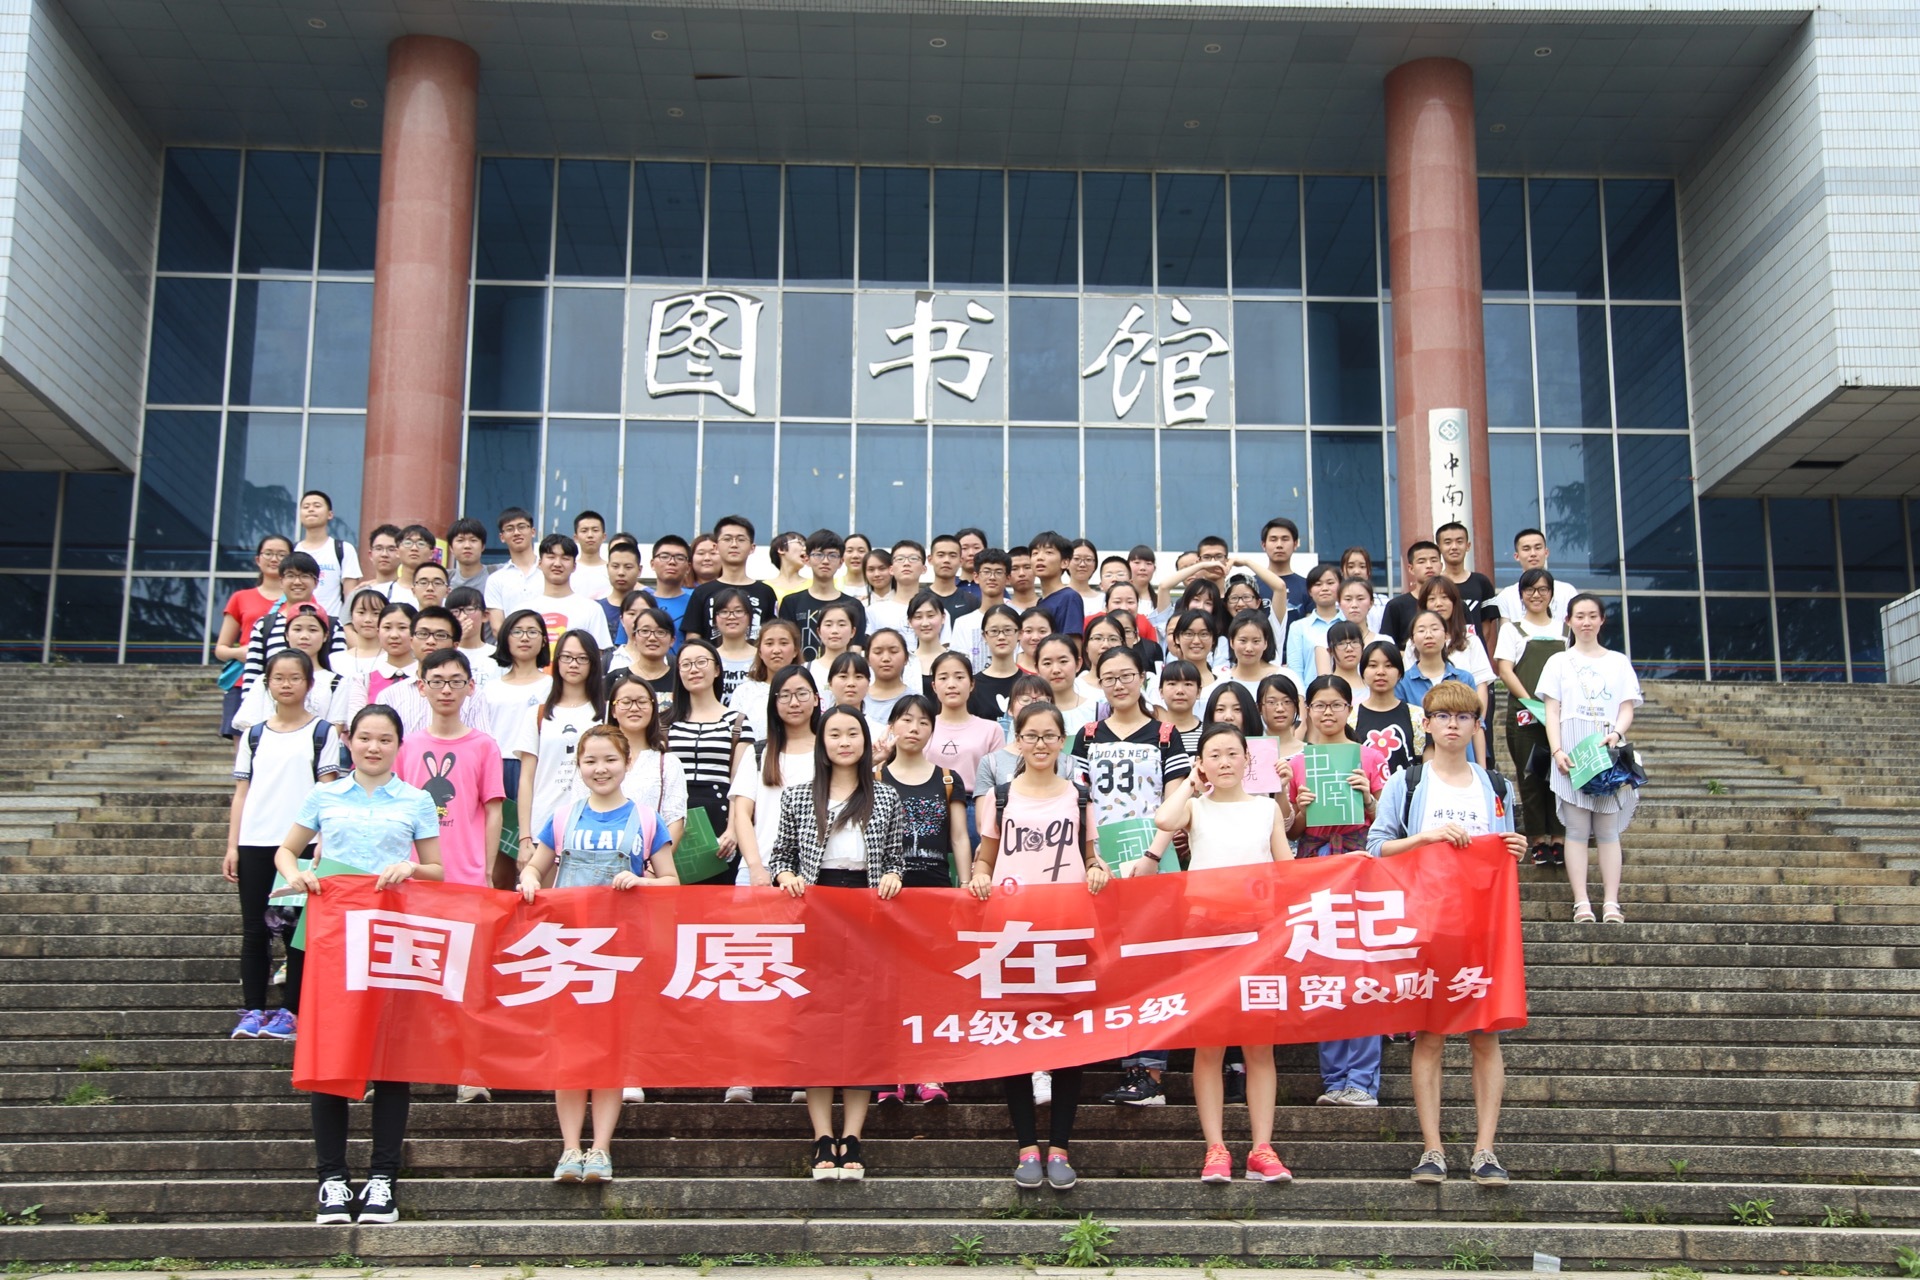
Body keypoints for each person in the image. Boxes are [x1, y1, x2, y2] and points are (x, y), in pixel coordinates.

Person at [275, 705, 441, 1226]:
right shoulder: (324, 794)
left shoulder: (416, 799)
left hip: (391, 938)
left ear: (399, 745)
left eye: (385, 739)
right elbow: (286, 851)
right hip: (331, 938)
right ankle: (331, 1179)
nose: (374, 747)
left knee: (390, 1059)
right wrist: (297, 874)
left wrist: (410, 867)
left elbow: (437, 869)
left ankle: (382, 1180)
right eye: (365, 738)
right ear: (349, 742)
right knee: (330, 1056)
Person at [1366, 680, 1529, 1188]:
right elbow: (1376, 847)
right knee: (1430, 1034)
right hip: (1426, 924)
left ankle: (1485, 1150)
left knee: (1486, 1034)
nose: (1453, 725)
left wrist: (1516, 848)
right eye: (1443, 716)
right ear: (1428, 724)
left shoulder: (1496, 786)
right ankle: (1432, 1148)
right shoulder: (1409, 782)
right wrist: (1426, 838)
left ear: (1477, 725)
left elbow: (1503, 850)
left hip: (1483, 925)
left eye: (1463, 717)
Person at [518, 723, 674, 1183]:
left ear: (627, 763)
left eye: (609, 760)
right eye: (590, 761)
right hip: (567, 951)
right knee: (569, 1052)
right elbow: (535, 867)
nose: (600, 769)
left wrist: (642, 881)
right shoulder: (562, 817)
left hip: (621, 953)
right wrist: (529, 880)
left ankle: (601, 1148)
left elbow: (671, 882)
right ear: (579, 766)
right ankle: (570, 1148)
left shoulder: (647, 819)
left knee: (609, 1051)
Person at [967, 701, 1109, 1191]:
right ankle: (1027, 1146)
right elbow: (985, 859)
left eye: (1050, 736)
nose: (1041, 744)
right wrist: (979, 878)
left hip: (1067, 931)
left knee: (1069, 1043)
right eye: (1032, 736)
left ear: (1062, 741)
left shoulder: (1080, 797)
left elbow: (1092, 857)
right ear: (1018, 741)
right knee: (1018, 1040)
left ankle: (1061, 1147)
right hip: (1012, 934)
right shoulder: (1001, 797)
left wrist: (1097, 869)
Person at [1146, 722, 1294, 1183]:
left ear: (1248, 759)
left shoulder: (1266, 809)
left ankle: (1262, 1148)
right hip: (1205, 936)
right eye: (1214, 755)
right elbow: (1163, 821)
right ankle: (1216, 1148)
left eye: (1233, 753)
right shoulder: (1195, 807)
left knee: (1259, 1046)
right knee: (1209, 1045)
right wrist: (1190, 784)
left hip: (1258, 936)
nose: (1225, 762)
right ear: (1202, 763)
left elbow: (1288, 870)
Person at [767, 705, 906, 1180]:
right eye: (835, 734)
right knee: (818, 1027)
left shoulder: (885, 796)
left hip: (867, 915)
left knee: (862, 1027)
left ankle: (855, 1136)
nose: (844, 742)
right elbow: (780, 856)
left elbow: (896, 857)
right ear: (822, 743)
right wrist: (785, 876)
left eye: (852, 733)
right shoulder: (798, 795)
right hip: (815, 912)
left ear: (866, 741)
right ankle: (822, 1136)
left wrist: (893, 875)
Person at [1077, 645, 1191, 1108]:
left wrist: (1152, 855)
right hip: (1103, 860)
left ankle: (1151, 1072)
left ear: (1143, 677)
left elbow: (1176, 801)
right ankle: (1124, 1061)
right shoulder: (1087, 734)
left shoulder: (1165, 734)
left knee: (1151, 962)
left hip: (1152, 858)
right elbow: (1080, 801)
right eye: (1109, 677)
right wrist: (1091, 857)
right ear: (1098, 682)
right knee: (1112, 962)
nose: (1119, 684)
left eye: (1127, 675)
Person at [223, 648, 343, 1041]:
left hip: (300, 846)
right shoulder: (254, 735)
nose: (286, 684)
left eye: (295, 678)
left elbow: (327, 790)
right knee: (254, 930)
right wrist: (233, 846)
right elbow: (242, 793)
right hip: (255, 841)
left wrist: (323, 840)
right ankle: (253, 1009)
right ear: (267, 683)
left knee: (296, 932)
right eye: (278, 678)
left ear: (309, 684)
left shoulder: (322, 732)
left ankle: (291, 1012)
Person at [1285, 675, 1387, 1108]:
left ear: (1349, 709)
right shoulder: (1296, 763)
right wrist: (1300, 810)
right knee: (1324, 972)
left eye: (1336, 705)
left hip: (1359, 866)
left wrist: (1369, 799)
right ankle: (1334, 1078)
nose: (1328, 713)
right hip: (1315, 867)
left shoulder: (1370, 757)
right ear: (1307, 711)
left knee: (1361, 970)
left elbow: (1387, 821)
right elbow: (1291, 832)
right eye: (1319, 705)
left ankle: (1362, 1079)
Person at [876, 693, 972, 1108]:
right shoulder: (875, 776)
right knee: (889, 986)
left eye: (922, 722)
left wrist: (965, 885)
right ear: (892, 726)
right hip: (886, 897)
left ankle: (930, 1071)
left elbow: (959, 837)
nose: (913, 728)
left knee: (931, 986)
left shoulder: (948, 779)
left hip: (935, 895)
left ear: (932, 730)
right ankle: (891, 1072)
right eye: (905, 720)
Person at [1539, 594, 1642, 925]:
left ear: (1601, 620)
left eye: (1592, 615)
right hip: (1571, 751)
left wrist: (1617, 733)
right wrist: (1557, 750)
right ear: (1568, 620)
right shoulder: (1558, 662)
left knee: (1608, 830)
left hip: (1606, 748)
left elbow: (1626, 706)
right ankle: (1581, 902)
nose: (1586, 622)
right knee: (1577, 829)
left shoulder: (1618, 661)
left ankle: (1611, 902)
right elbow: (1551, 711)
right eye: (1579, 616)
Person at [397, 649, 504, 890]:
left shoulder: (485, 746)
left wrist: (488, 870)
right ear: (422, 687)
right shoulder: (406, 746)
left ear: (470, 686)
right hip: (414, 873)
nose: (446, 690)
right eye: (437, 681)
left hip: (468, 876)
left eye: (456, 682)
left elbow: (494, 812)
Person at [513, 629, 608, 882]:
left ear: (593, 663)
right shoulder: (538, 714)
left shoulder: (607, 712)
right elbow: (526, 778)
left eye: (582, 658)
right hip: (544, 824)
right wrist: (524, 836)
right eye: (566, 657)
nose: (573, 664)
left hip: (594, 826)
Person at [1493, 568, 1568, 866]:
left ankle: (1560, 839)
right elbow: (1505, 670)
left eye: (1543, 589)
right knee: (1532, 777)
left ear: (1551, 594)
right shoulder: (1512, 630)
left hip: (1562, 715)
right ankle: (1538, 841)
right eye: (1530, 590)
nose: (1536, 595)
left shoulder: (1565, 630)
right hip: (1526, 714)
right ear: (1521, 595)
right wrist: (1530, 702)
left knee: (1561, 776)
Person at [730, 665, 820, 894]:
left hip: (815, 872)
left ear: (816, 699)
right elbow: (742, 813)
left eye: (802, 694)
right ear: (774, 702)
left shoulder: (828, 753)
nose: (794, 703)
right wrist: (755, 867)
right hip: (761, 869)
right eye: (785, 695)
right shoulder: (758, 752)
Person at [667, 637, 750, 884]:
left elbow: (741, 783)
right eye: (686, 664)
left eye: (701, 662)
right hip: (674, 817)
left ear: (716, 669)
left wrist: (733, 830)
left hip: (720, 816)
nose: (694, 669)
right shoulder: (664, 723)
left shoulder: (737, 722)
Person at [238, 552, 347, 696]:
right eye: (290, 576)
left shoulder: (332, 625)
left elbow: (340, 672)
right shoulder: (264, 625)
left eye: (305, 576)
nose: (297, 582)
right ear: (281, 582)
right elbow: (252, 676)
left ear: (316, 582)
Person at [217, 535, 294, 737]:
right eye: (268, 553)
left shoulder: (302, 599)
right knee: (243, 743)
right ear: (258, 559)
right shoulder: (240, 598)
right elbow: (221, 649)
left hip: (288, 682)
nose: (274, 559)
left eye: (281, 554)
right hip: (244, 681)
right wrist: (242, 653)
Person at [232, 606, 348, 736]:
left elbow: (333, 733)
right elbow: (250, 729)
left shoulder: (336, 683)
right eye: (297, 629)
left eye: (313, 630)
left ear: (325, 636)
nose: (304, 636)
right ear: (286, 635)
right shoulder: (264, 680)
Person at [1398, 611, 1486, 761]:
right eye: (1421, 630)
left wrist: (1482, 767)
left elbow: (1477, 726)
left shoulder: (1464, 678)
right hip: (1422, 764)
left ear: (1446, 636)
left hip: (1464, 761)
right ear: (1412, 640)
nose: (1428, 635)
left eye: (1434, 629)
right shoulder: (1402, 682)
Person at [922, 650, 1005, 807]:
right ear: (934, 686)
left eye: (959, 677)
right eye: (943, 678)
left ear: (972, 684)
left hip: (976, 804)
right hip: (928, 804)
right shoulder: (923, 727)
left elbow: (998, 780)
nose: (951, 684)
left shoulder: (992, 730)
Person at [683, 516, 778, 642]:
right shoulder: (701, 592)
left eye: (741, 539)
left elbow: (773, 635)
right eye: (727, 539)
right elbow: (693, 638)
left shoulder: (766, 592)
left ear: (752, 548)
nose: (734, 545)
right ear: (716, 547)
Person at [1411, 576, 1495, 718]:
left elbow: (1481, 685)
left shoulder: (1471, 641)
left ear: (1454, 602)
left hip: (1464, 718)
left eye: (1445, 597)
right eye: (1432, 599)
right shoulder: (1414, 642)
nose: (1439, 604)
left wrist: (1479, 722)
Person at [778, 530, 867, 660]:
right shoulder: (791, 602)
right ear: (807, 559)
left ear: (841, 561)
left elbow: (855, 649)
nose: (825, 561)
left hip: (841, 671)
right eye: (818, 555)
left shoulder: (854, 605)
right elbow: (785, 645)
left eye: (832, 555)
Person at [526, 534, 613, 652]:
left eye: (565, 558)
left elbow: (599, 654)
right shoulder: (525, 609)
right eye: (551, 557)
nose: (557, 564)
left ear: (574, 566)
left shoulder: (592, 609)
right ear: (540, 563)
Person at [1353, 641, 1426, 778]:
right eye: (1373, 665)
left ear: (1399, 673)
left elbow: (1426, 764)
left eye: (1389, 666)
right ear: (1362, 672)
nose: (1381, 672)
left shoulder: (1417, 715)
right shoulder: (1350, 716)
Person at [727, 619, 803, 742]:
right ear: (760, 652)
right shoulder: (744, 692)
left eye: (783, 643)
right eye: (769, 643)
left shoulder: (807, 689)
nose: (776, 650)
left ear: (795, 651)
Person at [293, 489, 360, 618]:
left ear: (330, 514)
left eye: (317, 506)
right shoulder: (292, 550)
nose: (311, 509)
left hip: (332, 623)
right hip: (296, 623)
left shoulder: (343, 549)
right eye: (306, 507)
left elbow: (350, 597)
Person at [1435, 521, 1500, 645]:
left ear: (1468, 546)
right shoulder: (1433, 585)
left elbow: (1486, 628)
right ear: (1439, 548)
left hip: (1474, 652)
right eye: (1448, 542)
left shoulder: (1482, 582)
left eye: (1459, 541)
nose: (1454, 547)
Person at [950, 548, 1013, 670]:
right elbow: (958, 666)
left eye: (999, 572)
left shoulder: (1020, 618)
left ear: (1008, 578)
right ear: (976, 577)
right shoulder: (963, 623)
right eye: (986, 572)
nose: (992, 577)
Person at [483, 508, 541, 632]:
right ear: (502, 537)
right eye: (510, 529)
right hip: (510, 643)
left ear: (533, 532)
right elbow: (497, 627)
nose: (516, 533)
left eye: (522, 527)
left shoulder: (549, 571)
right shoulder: (496, 579)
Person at [607, 598, 677, 701]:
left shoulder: (681, 679)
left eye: (660, 632)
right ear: (634, 637)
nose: (652, 638)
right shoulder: (615, 678)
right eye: (645, 631)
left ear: (672, 640)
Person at [1221, 610, 1300, 700]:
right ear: (1231, 642)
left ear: (1265, 643)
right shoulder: (1221, 679)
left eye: (1256, 641)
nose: (1249, 648)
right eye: (1243, 640)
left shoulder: (1286, 677)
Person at [1380, 541, 1445, 648]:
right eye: (1421, 561)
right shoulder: (1396, 606)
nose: (1429, 566)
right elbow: (1386, 647)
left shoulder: (1454, 603)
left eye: (1434, 560)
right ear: (1411, 568)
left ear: (1441, 566)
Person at [1284, 564, 1344, 678]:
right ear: (1310, 591)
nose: (1324, 588)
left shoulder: (1350, 624)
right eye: (1318, 584)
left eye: (1330, 583)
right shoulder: (1298, 627)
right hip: (1310, 689)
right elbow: (1296, 669)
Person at [967, 603, 1024, 721]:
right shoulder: (972, 687)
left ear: (1020, 634)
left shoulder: (1030, 683)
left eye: (1008, 630)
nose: (1001, 637)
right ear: (984, 636)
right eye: (994, 631)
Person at [1034, 634, 1097, 736]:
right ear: (1037, 669)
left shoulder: (1098, 711)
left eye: (1063, 661)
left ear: (1078, 664)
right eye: (1047, 663)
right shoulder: (1028, 712)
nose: (1056, 670)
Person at [1029, 531, 1086, 637]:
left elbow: (1073, 643)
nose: (1039, 557)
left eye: (1048, 552)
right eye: (1035, 553)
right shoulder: (1040, 602)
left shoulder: (1069, 598)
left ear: (1065, 562)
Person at [710, 586, 761, 702]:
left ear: (750, 617)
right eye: (724, 612)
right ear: (715, 619)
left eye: (738, 611)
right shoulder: (709, 658)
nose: (731, 617)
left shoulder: (762, 657)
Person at [1254, 517, 1308, 623]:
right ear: (1263, 545)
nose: (1279, 545)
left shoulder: (1307, 586)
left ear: (1295, 544)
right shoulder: (1251, 585)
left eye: (1285, 539)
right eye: (1273, 539)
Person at [862, 628, 914, 734]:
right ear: (867, 659)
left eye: (893, 651)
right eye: (878, 652)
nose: (886, 658)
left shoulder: (915, 702)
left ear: (906, 658)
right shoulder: (857, 698)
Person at [646, 535, 694, 642]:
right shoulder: (639, 603)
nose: (672, 562)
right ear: (652, 564)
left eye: (680, 558)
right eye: (664, 556)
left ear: (688, 567)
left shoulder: (696, 603)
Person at [1152, 659, 1204, 756]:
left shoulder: (1209, 733)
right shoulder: (1150, 733)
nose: (1180, 691)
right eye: (1172, 684)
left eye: (1188, 684)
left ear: (1198, 692)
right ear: (1161, 692)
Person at [804, 603, 860, 693]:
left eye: (841, 625)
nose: (834, 631)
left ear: (853, 632)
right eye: (828, 625)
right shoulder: (806, 669)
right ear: (819, 631)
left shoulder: (864, 670)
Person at [905, 590, 953, 693]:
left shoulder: (956, 660)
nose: (925, 623)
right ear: (909, 622)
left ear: (943, 618)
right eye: (918, 617)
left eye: (931, 616)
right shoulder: (905, 663)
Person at [337, 587, 388, 683]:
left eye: (376, 613)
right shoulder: (335, 660)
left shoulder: (394, 659)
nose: (368, 619)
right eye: (361, 612)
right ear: (351, 616)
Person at [926, 533, 978, 622]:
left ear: (960, 561)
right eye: (941, 555)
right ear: (930, 559)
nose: (946, 560)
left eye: (952, 556)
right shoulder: (918, 599)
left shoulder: (972, 602)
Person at [1255, 674, 1305, 762]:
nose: (1280, 709)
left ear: (1296, 706)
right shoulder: (1250, 751)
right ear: (1259, 707)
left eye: (1287, 701)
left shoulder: (1310, 753)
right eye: (1271, 702)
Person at [354, 526, 411, 604]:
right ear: (370, 555)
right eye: (379, 548)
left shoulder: (411, 591)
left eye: (391, 549)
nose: (384, 554)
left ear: (400, 553)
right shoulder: (360, 592)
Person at [862, 547, 908, 634]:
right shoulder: (861, 606)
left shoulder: (906, 603)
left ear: (892, 570)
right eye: (871, 570)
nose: (876, 574)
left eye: (882, 568)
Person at [570, 510, 611, 600]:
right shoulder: (568, 569)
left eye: (595, 530)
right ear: (576, 538)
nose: (590, 535)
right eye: (584, 531)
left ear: (604, 536)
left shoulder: (612, 570)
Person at [446, 517, 492, 595]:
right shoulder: (444, 579)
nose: (467, 546)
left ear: (483, 546)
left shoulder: (498, 573)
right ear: (451, 548)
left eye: (473, 540)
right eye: (460, 540)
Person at [766, 530, 810, 603]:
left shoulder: (814, 586)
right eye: (800, 543)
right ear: (781, 549)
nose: (805, 549)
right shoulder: (764, 588)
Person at [1068, 537, 1104, 615]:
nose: (1082, 564)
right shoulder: (1056, 596)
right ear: (1066, 562)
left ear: (1095, 565)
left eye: (1088, 559)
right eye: (1076, 559)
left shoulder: (1104, 600)